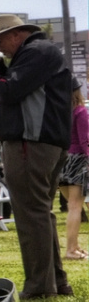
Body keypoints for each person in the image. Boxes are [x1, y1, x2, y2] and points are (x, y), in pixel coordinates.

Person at [0, 13, 78, 298]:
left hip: (30, 143)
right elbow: (16, 85)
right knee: (41, 213)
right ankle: (55, 281)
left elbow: (10, 89)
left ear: (16, 34)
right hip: (44, 143)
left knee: (31, 215)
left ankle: (41, 287)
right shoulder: (40, 52)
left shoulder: (36, 52)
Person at [63, 90, 89, 260]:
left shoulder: (61, 112)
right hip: (78, 160)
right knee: (75, 207)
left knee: (72, 207)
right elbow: (85, 140)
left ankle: (75, 245)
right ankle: (71, 249)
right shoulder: (80, 112)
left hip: (62, 160)